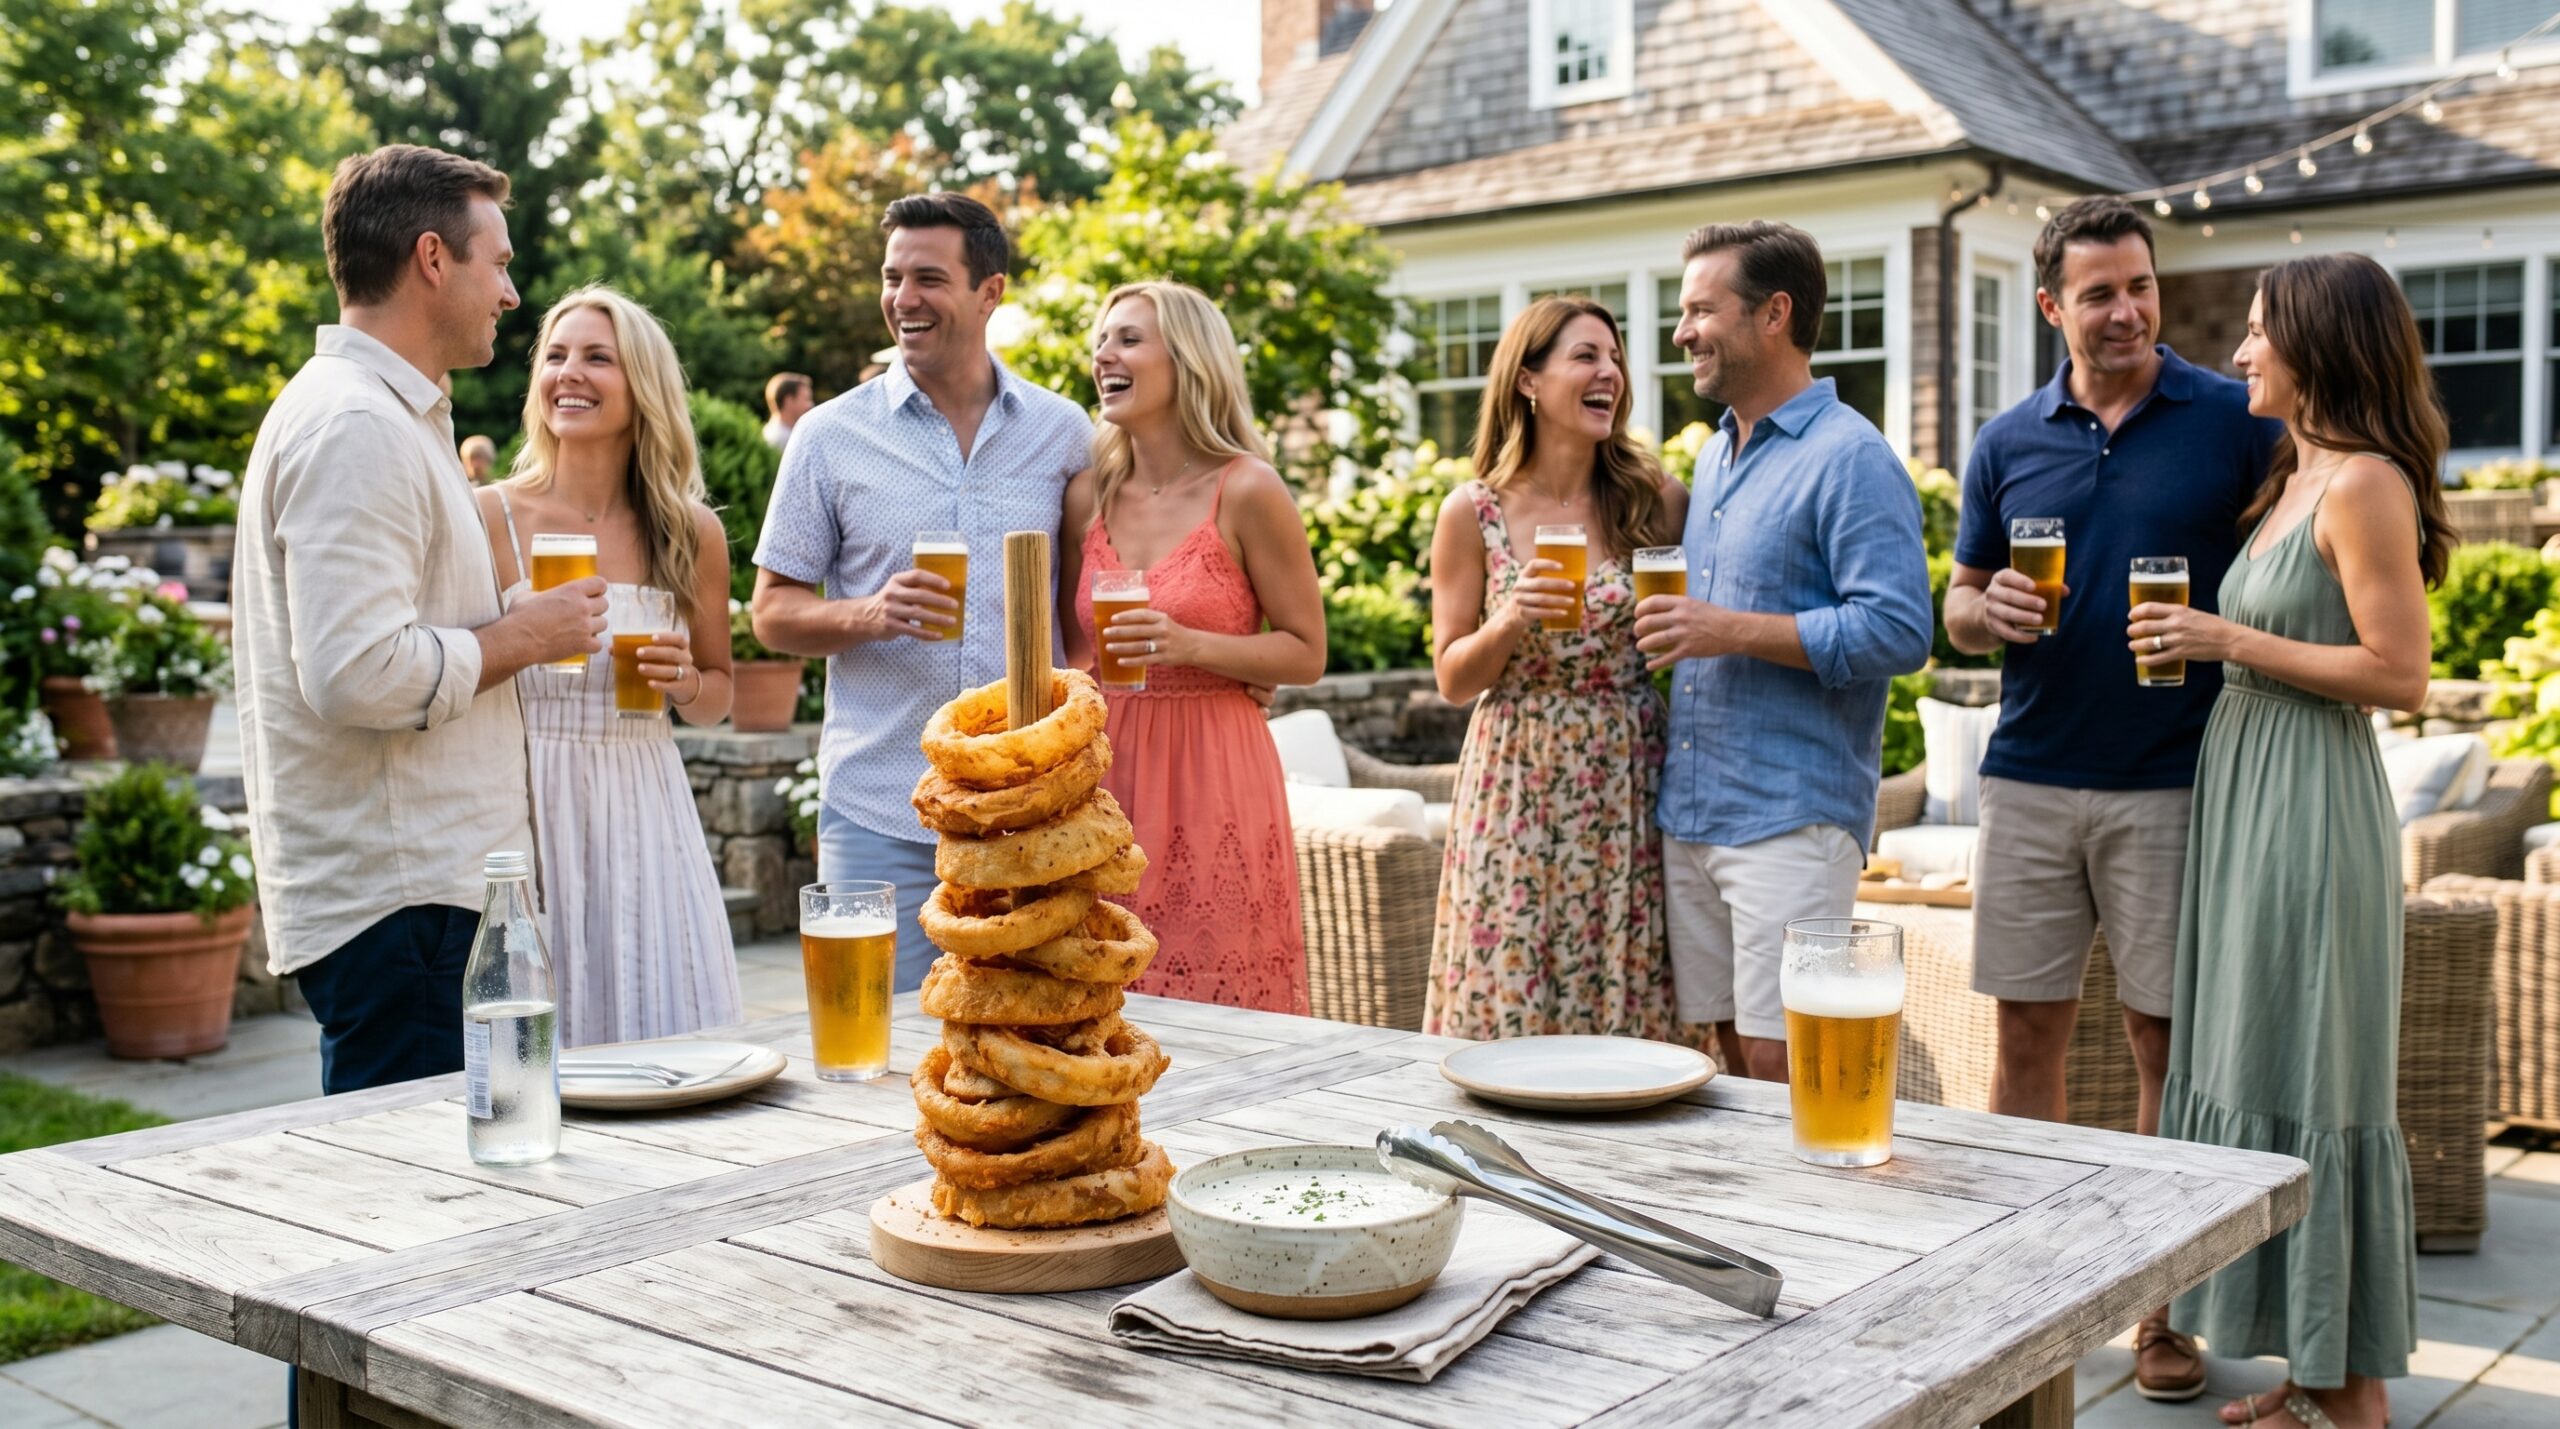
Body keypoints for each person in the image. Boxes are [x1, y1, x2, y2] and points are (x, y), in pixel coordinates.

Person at [1940, 197, 2281, 1403]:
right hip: (2029, 776)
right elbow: (1959, 600)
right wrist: (1987, 614)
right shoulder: (2005, 440)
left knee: (2162, 1045)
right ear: (2053, 307)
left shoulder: (2234, 421)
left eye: (2139, 284)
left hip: (2173, 783)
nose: (2128, 308)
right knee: (2024, 1036)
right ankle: (2023, 1292)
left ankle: (2160, 1306)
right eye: (2099, 292)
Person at [2134, 254, 2444, 1429]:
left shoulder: (2365, 483)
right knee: (2261, 1056)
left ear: (2317, 343)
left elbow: (2399, 673)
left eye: (2259, 332)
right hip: (2250, 796)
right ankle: (2308, 1372)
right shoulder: (2294, 474)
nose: (2240, 352)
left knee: (2315, 1066)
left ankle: (2351, 1393)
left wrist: (2225, 636)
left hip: (2310, 806)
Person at [231, 144, 605, 1097]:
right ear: (433, 259)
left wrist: (511, 615)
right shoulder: (354, 423)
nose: (511, 293)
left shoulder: (386, 417)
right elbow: (357, 671)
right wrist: (524, 636)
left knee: (474, 1187)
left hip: (428, 902)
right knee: (425, 1211)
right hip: (405, 912)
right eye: (501, 261)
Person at [750, 194, 1091, 988]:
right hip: (879, 812)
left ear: (990, 292)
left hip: (1023, 814)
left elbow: (1081, 619)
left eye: (929, 278)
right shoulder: (828, 436)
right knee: (872, 1053)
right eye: (892, 276)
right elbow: (771, 612)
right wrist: (870, 613)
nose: (903, 298)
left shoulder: (1062, 431)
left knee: (1023, 1049)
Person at [1634, 221, 1932, 1081]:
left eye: (1701, 309)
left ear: (1774, 314)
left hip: (1790, 816)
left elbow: (1899, 629)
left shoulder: (1853, 458)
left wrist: (1726, 628)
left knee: (1783, 1060)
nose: (1683, 331)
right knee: (1724, 1061)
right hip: (1691, 813)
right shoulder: (1715, 454)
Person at [474, 285, 743, 1047]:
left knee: (666, 1032)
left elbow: (716, 697)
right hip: (529, 803)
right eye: (556, 356)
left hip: (648, 808)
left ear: (644, 387)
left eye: (598, 357)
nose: (570, 373)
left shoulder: (690, 532)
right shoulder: (490, 516)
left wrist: (685, 681)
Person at [1424, 295, 1688, 1041]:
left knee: (1628, 987)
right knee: (1511, 977)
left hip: (1626, 772)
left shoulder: (1656, 500)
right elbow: (1453, 676)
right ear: (1529, 381)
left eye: (1615, 358)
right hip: (1515, 776)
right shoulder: (1471, 511)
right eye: (1586, 356)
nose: (1610, 371)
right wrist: (1509, 617)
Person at [1059, 281, 1325, 1013]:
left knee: (1220, 991)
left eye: (1128, 339)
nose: (1103, 355)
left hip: (1215, 769)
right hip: (1107, 772)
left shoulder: (1247, 488)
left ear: (1190, 361)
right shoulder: (1088, 496)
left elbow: (1306, 651)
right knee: (1104, 997)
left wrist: (1189, 642)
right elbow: (1073, 652)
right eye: (1102, 340)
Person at [764, 372, 813, 450]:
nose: (811, 405)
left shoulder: (788, 434)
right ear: (789, 401)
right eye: (806, 399)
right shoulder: (778, 440)